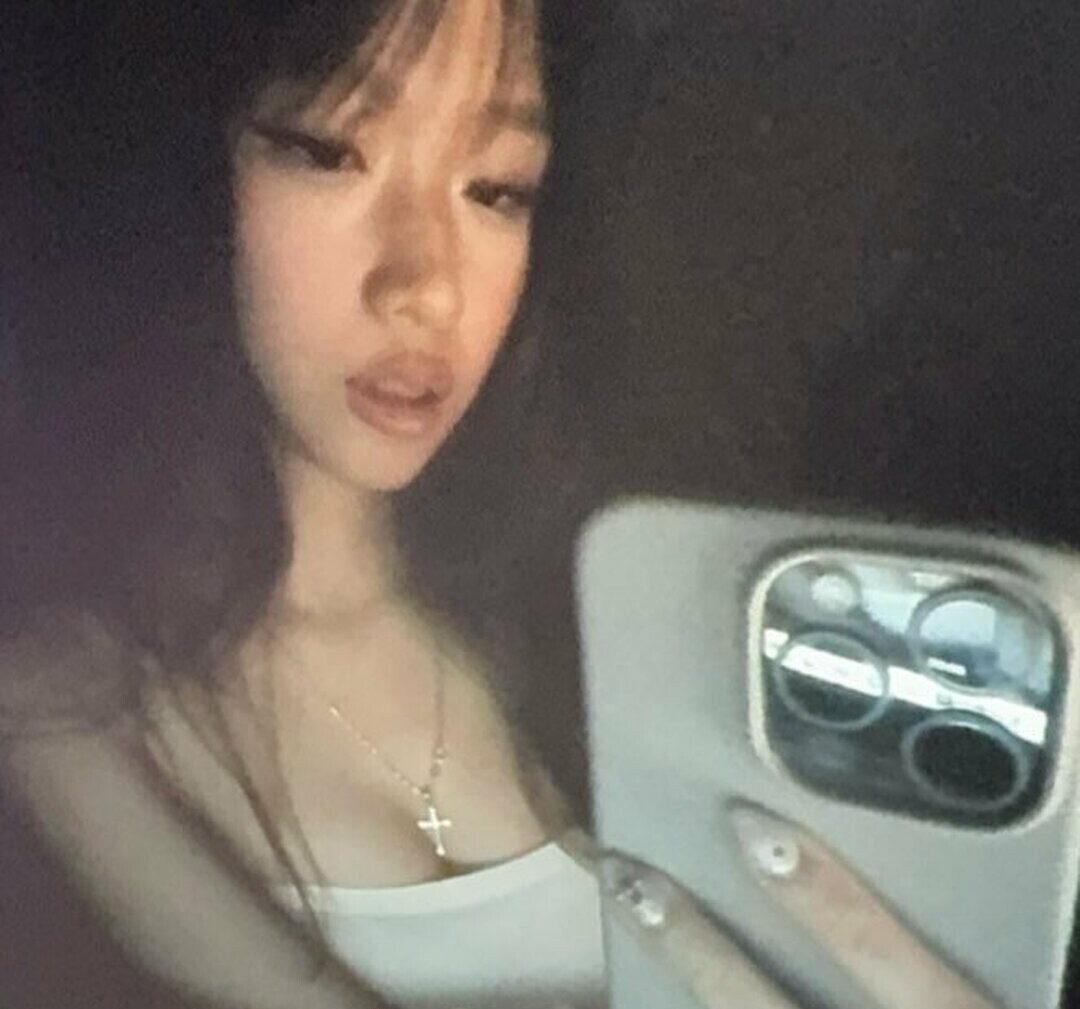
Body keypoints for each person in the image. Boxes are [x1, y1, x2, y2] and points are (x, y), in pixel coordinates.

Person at [0, 2, 1032, 1008]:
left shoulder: (612, 600)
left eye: (495, 189)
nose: (427, 287)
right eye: (330, 151)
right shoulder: (71, 695)